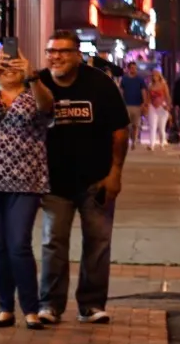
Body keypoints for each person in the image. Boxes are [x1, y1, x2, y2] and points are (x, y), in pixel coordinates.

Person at [33, 30, 132, 324]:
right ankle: (50, 305)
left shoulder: (100, 84)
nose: (56, 57)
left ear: (78, 55)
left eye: (63, 51)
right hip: (54, 181)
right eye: (51, 51)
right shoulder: (38, 83)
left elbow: (120, 131)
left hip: (95, 180)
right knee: (53, 242)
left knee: (98, 243)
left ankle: (91, 304)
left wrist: (115, 173)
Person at [0, 46, 54, 329]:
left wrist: (32, 76)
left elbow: (47, 107)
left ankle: (30, 309)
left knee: (18, 245)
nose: (10, 69)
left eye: (15, 65)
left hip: (25, 182)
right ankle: (5, 308)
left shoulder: (33, 94)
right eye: (6, 65)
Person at [118, 62, 147, 147]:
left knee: (136, 125)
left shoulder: (140, 80)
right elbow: (121, 91)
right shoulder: (124, 79)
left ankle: (134, 141)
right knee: (127, 125)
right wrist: (120, 102)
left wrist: (144, 103)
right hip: (127, 104)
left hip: (137, 105)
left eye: (135, 68)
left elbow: (143, 91)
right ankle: (129, 138)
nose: (133, 69)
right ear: (129, 69)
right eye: (132, 68)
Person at [143, 70, 172, 151]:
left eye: (156, 75)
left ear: (159, 76)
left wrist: (168, 106)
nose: (154, 77)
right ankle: (151, 144)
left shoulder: (164, 85)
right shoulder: (150, 86)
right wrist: (146, 106)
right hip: (152, 107)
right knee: (152, 126)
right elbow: (148, 97)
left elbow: (167, 96)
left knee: (161, 127)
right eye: (153, 75)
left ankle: (162, 142)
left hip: (162, 107)